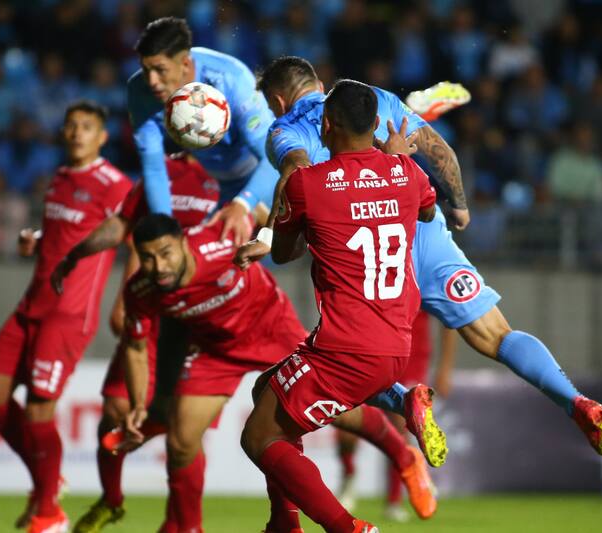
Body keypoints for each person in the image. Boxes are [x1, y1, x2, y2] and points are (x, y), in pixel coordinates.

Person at [235, 56, 602, 458]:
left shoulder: (286, 129)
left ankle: (405, 402)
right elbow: (440, 152)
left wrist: (269, 232)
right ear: (316, 81)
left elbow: (294, 172)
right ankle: (575, 401)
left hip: (363, 254)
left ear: (277, 101)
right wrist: (459, 205)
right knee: (497, 334)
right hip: (419, 228)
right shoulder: (373, 100)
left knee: (354, 356)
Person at [114, 213, 436, 533]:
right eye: (147, 258)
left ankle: (402, 457)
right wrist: (139, 405)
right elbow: (135, 349)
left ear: (183, 243)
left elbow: (271, 210)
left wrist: (260, 223)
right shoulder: (142, 289)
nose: (159, 267)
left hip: (269, 328)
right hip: (213, 348)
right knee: (182, 439)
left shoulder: (219, 240)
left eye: (166, 253)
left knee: (333, 414)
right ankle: (191, 527)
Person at [240, 79, 438, 533]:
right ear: (374, 125)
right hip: (396, 343)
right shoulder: (406, 172)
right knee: (265, 392)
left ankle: (347, 528)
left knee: (259, 436)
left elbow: (285, 254)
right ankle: (283, 520)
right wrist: (394, 159)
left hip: (345, 347)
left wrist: (304, 220)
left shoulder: (308, 183)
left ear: (327, 124)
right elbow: (425, 210)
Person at [0, 101, 133, 533]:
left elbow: (135, 238)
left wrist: (125, 300)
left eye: (87, 127)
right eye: (71, 126)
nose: (77, 133)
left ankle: (49, 513)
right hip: (32, 304)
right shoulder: (60, 179)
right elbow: (70, 232)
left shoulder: (115, 184)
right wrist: (38, 241)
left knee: (39, 411)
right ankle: (47, 482)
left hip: (69, 312)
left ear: (102, 137)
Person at [67, 153, 221, 533]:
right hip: (151, 305)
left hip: (196, 316)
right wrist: (80, 255)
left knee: (183, 430)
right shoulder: (161, 168)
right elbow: (127, 228)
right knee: (113, 415)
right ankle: (111, 500)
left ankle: (183, 521)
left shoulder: (231, 171)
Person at [128, 16, 279, 245]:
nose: (152, 81)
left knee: (249, 256)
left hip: (262, 181)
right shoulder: (139, 91)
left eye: (160, 70)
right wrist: (168, 230)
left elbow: (273, 159)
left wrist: (244, 203)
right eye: (146, 69)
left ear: (185, 64)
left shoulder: (232, 79)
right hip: (216, 184)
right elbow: (154, 167)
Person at [336, 311, 457, 521]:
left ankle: (394, 501)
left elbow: (449, 317)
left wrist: (445, 366)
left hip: (411, 355)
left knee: (402, 425)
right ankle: (348, 475)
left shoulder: (420, 279)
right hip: (370, 351)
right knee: (346, 425)